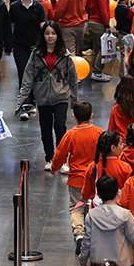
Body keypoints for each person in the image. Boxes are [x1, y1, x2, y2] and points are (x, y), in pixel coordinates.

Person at [16, 22, 80, 169]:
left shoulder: (65, 55)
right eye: (47, 33)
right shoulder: (36, 54)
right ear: (43, 35)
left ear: (58, 35)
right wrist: (20, 101)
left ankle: (62, 160)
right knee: (45, 129)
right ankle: (49, 158)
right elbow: (28, 77)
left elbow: (73, 78)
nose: (50, 36)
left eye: (53, 33)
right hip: (42, 98)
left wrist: (74, 101)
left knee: (60, 126)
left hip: (61, 97)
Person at [51, 102, 104, 239]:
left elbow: (60, 154)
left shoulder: (71, 135)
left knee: (76, 206)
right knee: (92, 204)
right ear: (91, 115)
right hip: (95, 178)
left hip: (77, 180)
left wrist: (54, 167)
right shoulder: (99, 133)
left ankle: (79, 233)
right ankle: (93, 232)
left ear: (74, 116)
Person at [79, 175, 134, 266]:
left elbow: (86, 242)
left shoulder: (91, 215)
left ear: (98, 195)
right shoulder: (126, 215)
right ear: (117, 192)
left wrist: (83, 262)